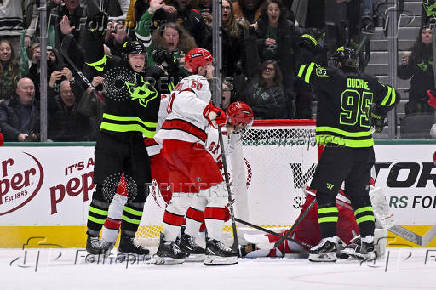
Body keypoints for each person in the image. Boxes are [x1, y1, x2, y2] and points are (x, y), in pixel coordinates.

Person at [296, 46, 398, 262]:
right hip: (364, 150)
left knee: (325, 194)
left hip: (338, 148)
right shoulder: (370, 81)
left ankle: (328, 242)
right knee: (360, 197)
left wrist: (309, 46)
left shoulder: (333, 76)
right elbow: (393, 96)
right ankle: (368, 243)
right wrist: (379, 113)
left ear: (339, 63)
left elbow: (303, 68)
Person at [83, 3, 162, 256]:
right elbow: (93, 55)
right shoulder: (115, 68)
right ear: (126, 58)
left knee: (140, 191)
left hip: (136, 142)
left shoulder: (153, 77)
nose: (139, 60)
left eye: (142, 56)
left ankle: (128, 241)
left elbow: (150, 122)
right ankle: (92, 238)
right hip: (111, 141)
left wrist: (149, 136)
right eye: (134, 57)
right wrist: (94, 30)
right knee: (105, 189)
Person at [152, 48, 237, 265]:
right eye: (208, 64)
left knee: (182, 198)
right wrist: (209, 111)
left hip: (172, 145)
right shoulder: (197, 81)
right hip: (186, 143)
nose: (211, 68)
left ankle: (168, 245)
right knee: (218, 192)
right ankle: (215, 246)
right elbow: (183, 103)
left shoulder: (182, 83)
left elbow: (173, 108)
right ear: (200, 66)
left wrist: (209, 118)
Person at [398, 26, 435, 115]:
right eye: (424, 33)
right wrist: (404, 64)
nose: (427, 35)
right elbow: (404, 75)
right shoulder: (414, 52)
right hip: (417, 94)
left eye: (430, 33)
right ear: (420, 35)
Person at [0, 77, 39, 142]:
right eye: (25, 88)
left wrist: (36, 136)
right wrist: (17, 135)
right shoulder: (6, 106)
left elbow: (49, 128)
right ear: (17, 91)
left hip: (35, 146)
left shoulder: (39, 107)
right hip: (12, 145)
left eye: (31, 88)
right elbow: (2, 124)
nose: (29, 91)